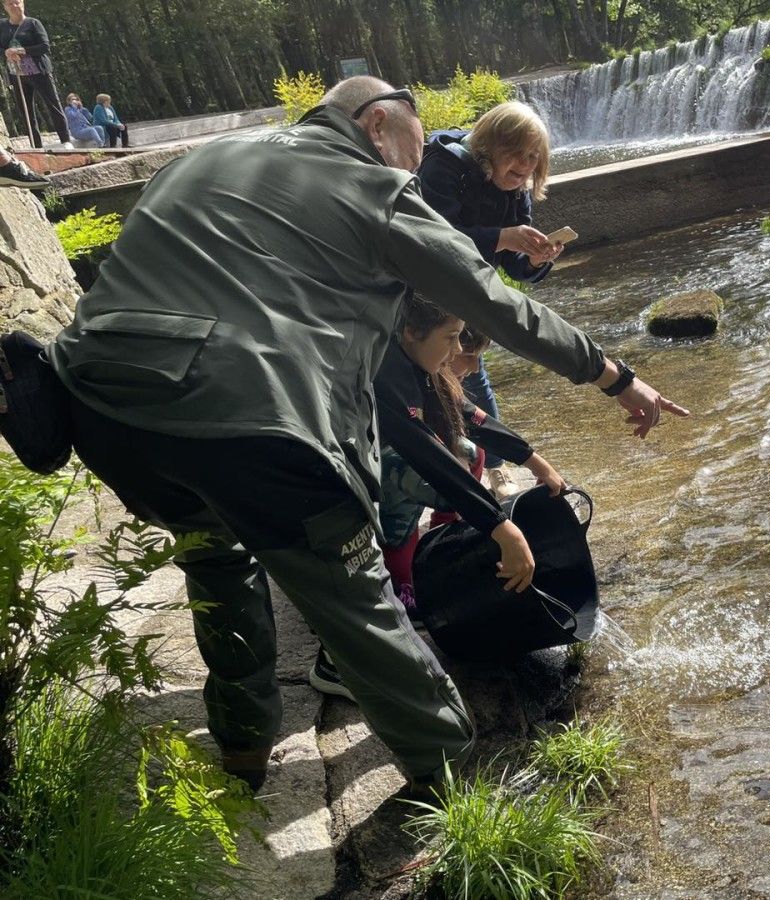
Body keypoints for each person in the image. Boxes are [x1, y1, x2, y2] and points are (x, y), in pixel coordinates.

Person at [46, 75, 687, 796]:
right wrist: (614, 376)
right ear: (377, 125)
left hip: (101, 415)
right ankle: (457, 788)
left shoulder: (199, 162)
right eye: (412, 158)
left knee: (218, 560)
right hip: (250, 430)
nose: (413, 178)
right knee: (356, 602)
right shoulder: (372, 184)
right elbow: (496, 304)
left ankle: (241, 755)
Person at [309, 297, 567, 699]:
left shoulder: (414, 360)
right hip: (315, 478)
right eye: (451, 337)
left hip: (348, 464)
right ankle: (335, 662)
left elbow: (468, 415)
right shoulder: (383, 369)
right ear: (412, 331)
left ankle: (415, 564)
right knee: (408, 478)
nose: (458, 350)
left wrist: (534, 460)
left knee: (465, 451)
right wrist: (502, 528)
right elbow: (426, 456)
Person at [416, 101, 562, 497]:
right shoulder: (444, 166)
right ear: (489, 147)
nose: (526, 165)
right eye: (517, 154)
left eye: (534, 157)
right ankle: (445, 468)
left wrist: (534, 259)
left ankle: (495, 468)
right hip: (423, 294)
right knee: (429, 383)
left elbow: (514, 267)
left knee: (473, 374)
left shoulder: (517, 189)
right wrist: (502, 237)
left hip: (471, 292)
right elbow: (434, 239)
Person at [1, 0, 70, 149]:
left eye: (17, 2)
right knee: (26, 111)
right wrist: (6, 52)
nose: (14, 6)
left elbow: (45, 46)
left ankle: (66, 140)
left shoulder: (33, 23)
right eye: (10, 3)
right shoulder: (2, 26)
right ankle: (35, 145)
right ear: (5, 7)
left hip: (38, 70)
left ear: (23, 4)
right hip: (17, 73)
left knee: (53, 105)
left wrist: (22, 51)